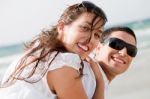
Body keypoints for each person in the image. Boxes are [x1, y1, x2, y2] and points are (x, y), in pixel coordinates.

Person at [0, 1, 107, 99]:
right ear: (61, 27)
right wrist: (100, 82)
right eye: (85, 28)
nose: (91, 39)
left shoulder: (37, 51)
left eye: (97, 35)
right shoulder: (62, 64)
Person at [91, 26, 137, 98]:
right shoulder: (85, 75)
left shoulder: (99, 82)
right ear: (98, 47)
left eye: (131, 50)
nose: (124, 53)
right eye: (116, 44)